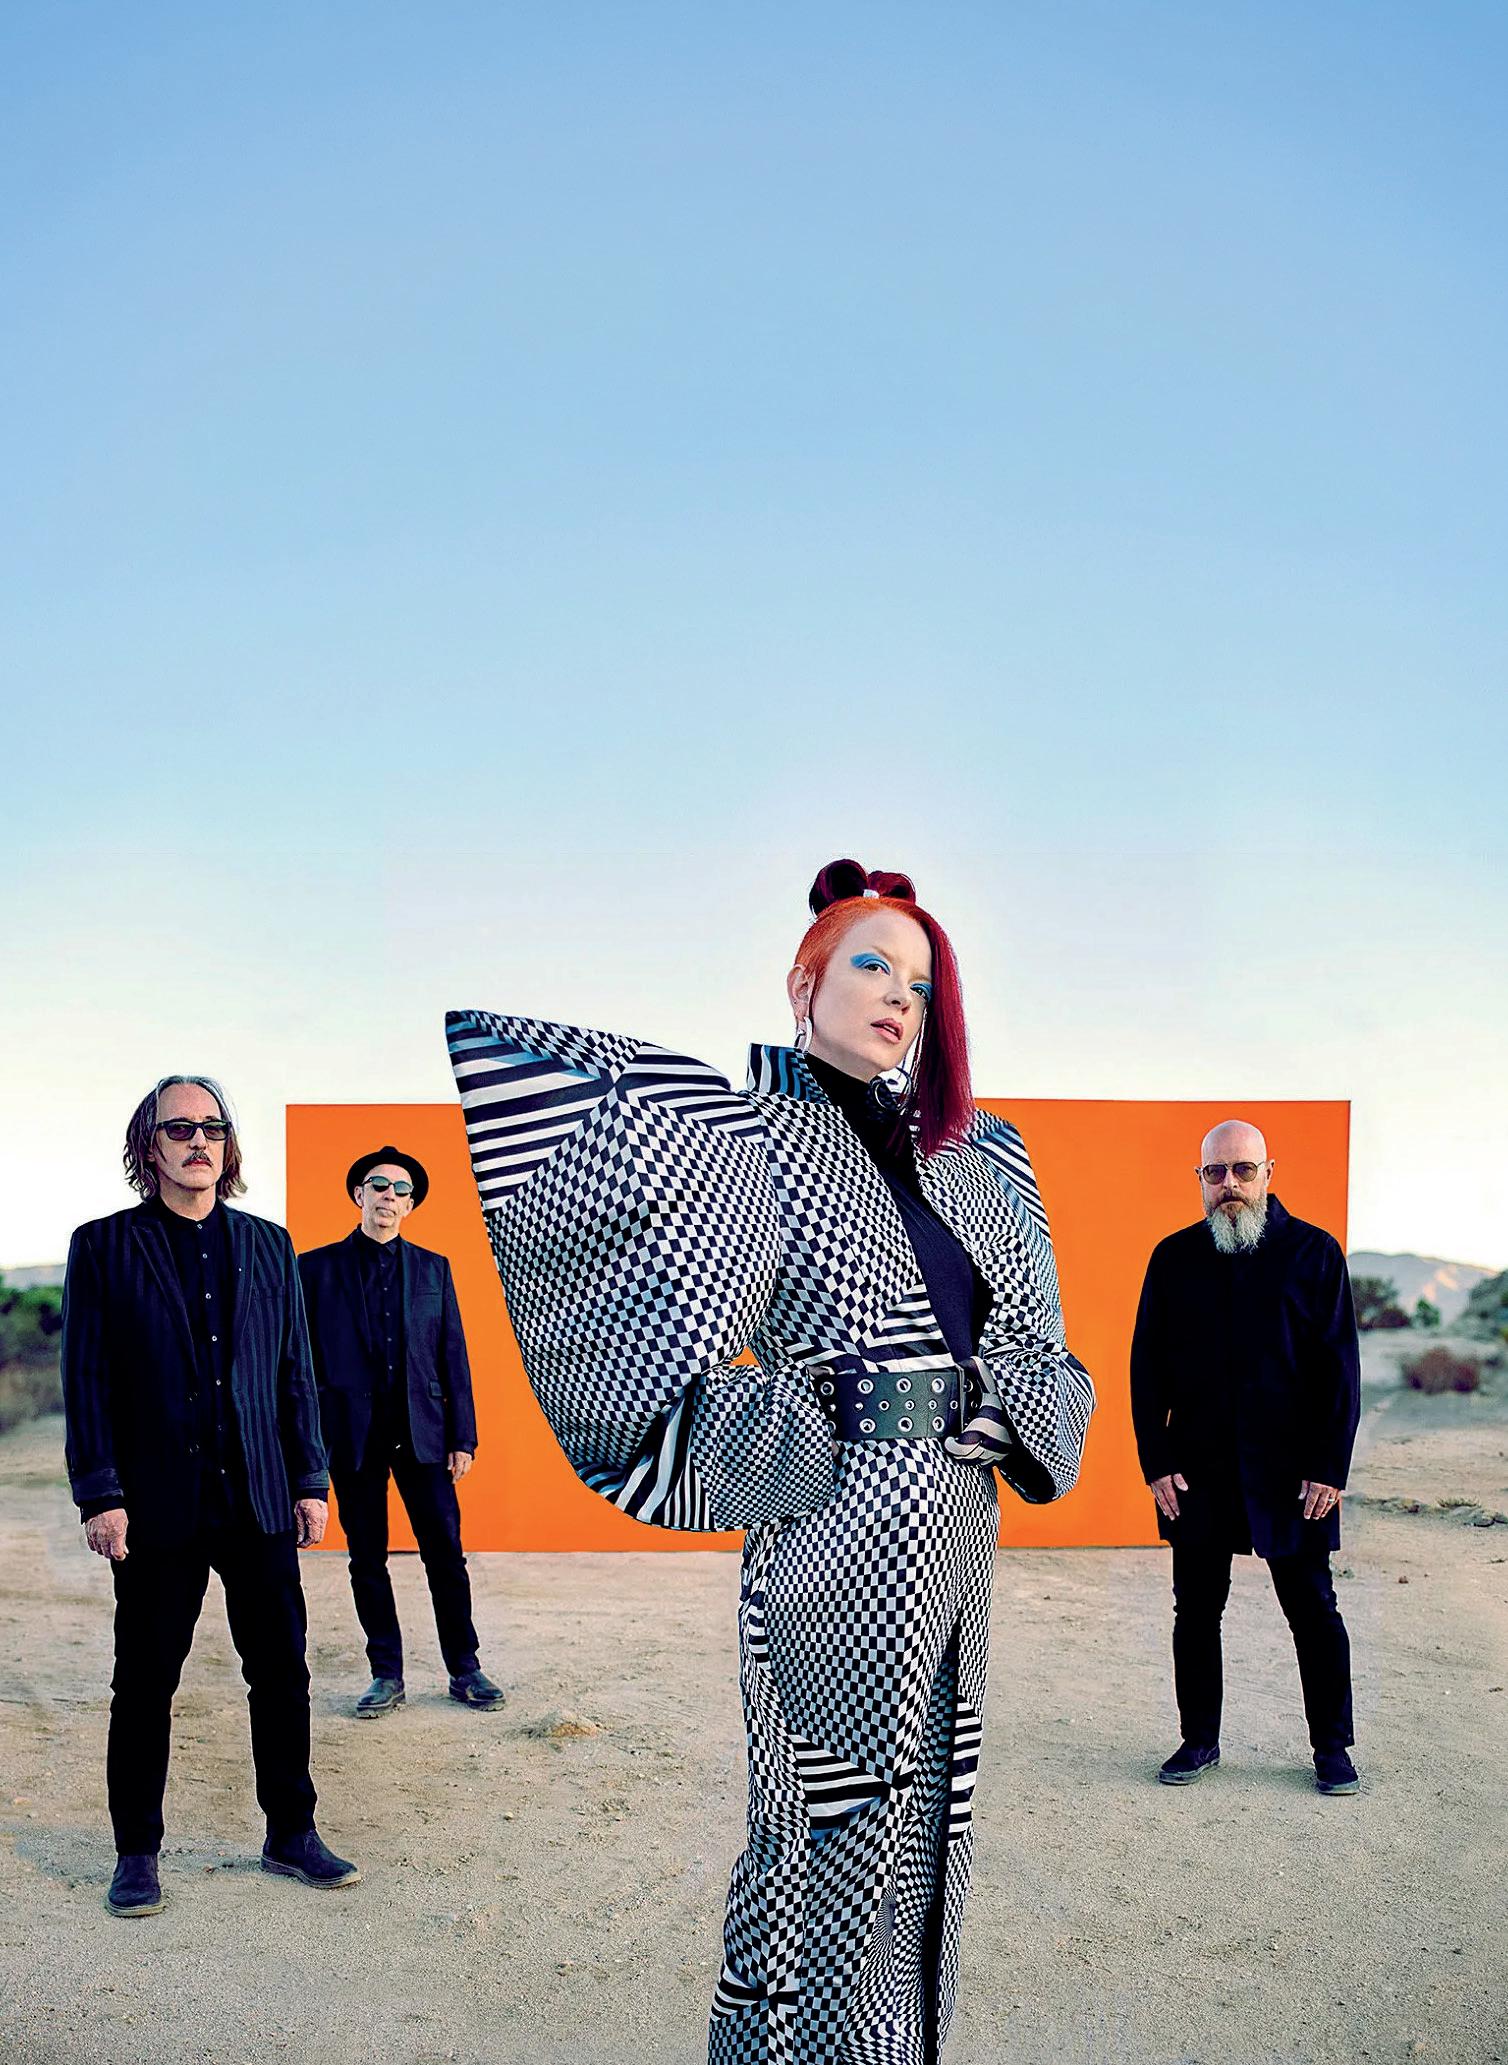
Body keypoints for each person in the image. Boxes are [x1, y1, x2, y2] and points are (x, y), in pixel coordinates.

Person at [444, 858, 1094, 2064]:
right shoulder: (740, 1135)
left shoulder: (979, 1154)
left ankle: (898, 2048)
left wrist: (1012, 1410)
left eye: (919, 981)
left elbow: (1041, 1345)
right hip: (833, 1526)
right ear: (805, 980)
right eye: (870, 964)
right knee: (818, 1822)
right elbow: (649, 1363)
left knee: (933, 1812)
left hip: (960, 1517)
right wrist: (806, 1427)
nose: (897, 995)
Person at [61, 1075, 359, 1919]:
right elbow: (87, 1379)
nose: (199, 1139)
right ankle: (137, 1852)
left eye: (214, 1127)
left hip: (258, 1494)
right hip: (155, 1504)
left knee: (283, 1672)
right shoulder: (103, 1245)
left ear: (228, 1146)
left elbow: (295, 1371)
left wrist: (310, 1479)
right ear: (148, 1146)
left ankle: (291, 1832)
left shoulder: (269, 1244)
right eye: (180, 1127)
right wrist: (100, 1493)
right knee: (145, 1681)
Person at [1129, 1119, 1362, 1795]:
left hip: (1294, 1474)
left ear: (1268, 1173)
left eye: (1242, 1169)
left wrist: (1330, 1467)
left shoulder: (1314, 1253)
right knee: (1196, 1611)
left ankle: (1332, 1748)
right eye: (1215, 1172)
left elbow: (1340, 1370)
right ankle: (1198, 1740)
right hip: (1197, 1469)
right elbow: (1146, 1369)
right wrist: (1156, 1460)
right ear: (1200, 1179)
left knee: (1314, 1609)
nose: (1229, 1183)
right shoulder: (1173, 1257)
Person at [298, 1147, 501, 1716]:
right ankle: (385, 1674)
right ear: (358, 1195)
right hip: (351, 1434)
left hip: (425, 1434)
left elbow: (453, 1352)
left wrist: (463, 1436)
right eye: (379, 1185)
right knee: (366, 1558)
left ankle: (465, 1668)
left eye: (401, 1190)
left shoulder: (434, 1268)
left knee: (446, 1555)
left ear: (410, 1205)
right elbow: (302, 1361)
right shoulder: (314, 1269)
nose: (389, 1195)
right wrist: (307, 1441)